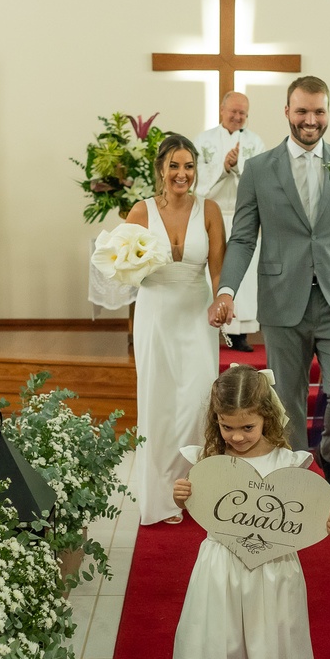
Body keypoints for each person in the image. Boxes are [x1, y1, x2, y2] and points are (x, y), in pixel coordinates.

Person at [210, 76, 330, 505]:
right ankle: (299, 468)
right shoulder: (260, 169)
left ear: (328, 113)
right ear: (287, 112)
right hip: (283, 298)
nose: (310, 120)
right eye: (302, 111)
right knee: (288, 398)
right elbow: (244, 237)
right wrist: (227, 289)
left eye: (318, 111)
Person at [170, 365, 330, 659]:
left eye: (247, 427)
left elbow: (319, 508)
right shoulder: (209, 459)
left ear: (267, 417)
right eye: (226, 427)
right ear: (215, 420)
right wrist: (180, 495)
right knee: (223, 631)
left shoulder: (291, 463)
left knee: (265, 638)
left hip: (273, 569)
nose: (236, 436)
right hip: (220, 566)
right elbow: (198, 506)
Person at [125, 134, 226, 524]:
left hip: (197, 314)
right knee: (159, 402)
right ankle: (163, 496)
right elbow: (125, 265)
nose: (181, 174)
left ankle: (195, 492)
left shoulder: (210, 210)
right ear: (160, 169)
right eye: (174, 166)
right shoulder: (140, 211)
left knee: (197, 400)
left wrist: (222, 300)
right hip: (156, 312)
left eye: (188, 166)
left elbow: (218, 269)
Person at [195, 92, 267, 352]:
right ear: (222, 110)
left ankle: (240, 333)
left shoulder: (255, 143)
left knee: (243, 274)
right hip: (211, 214)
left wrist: (237, 167)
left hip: (242, 215)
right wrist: (223, 167)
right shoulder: (203, 141)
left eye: (243, 113)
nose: (237, 117)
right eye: (233, 111)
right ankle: (208, 327)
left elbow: (261, 177)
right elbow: (195, 176)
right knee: (210, 271)